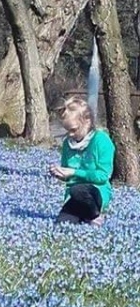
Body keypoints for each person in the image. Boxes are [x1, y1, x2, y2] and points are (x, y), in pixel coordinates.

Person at [49, 96, 115, 224]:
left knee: (79, 190)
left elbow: (103, 175)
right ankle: (86, 216)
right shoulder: (68, 144)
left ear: (87, 121)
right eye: (67, 130)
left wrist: (74, 172)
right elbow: (69, 177)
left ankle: (95, 215)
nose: (70, 135)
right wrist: (60, 173)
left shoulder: (101, 141)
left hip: (96, 193)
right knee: (62, 223)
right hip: (73, 196)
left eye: (73, 130)